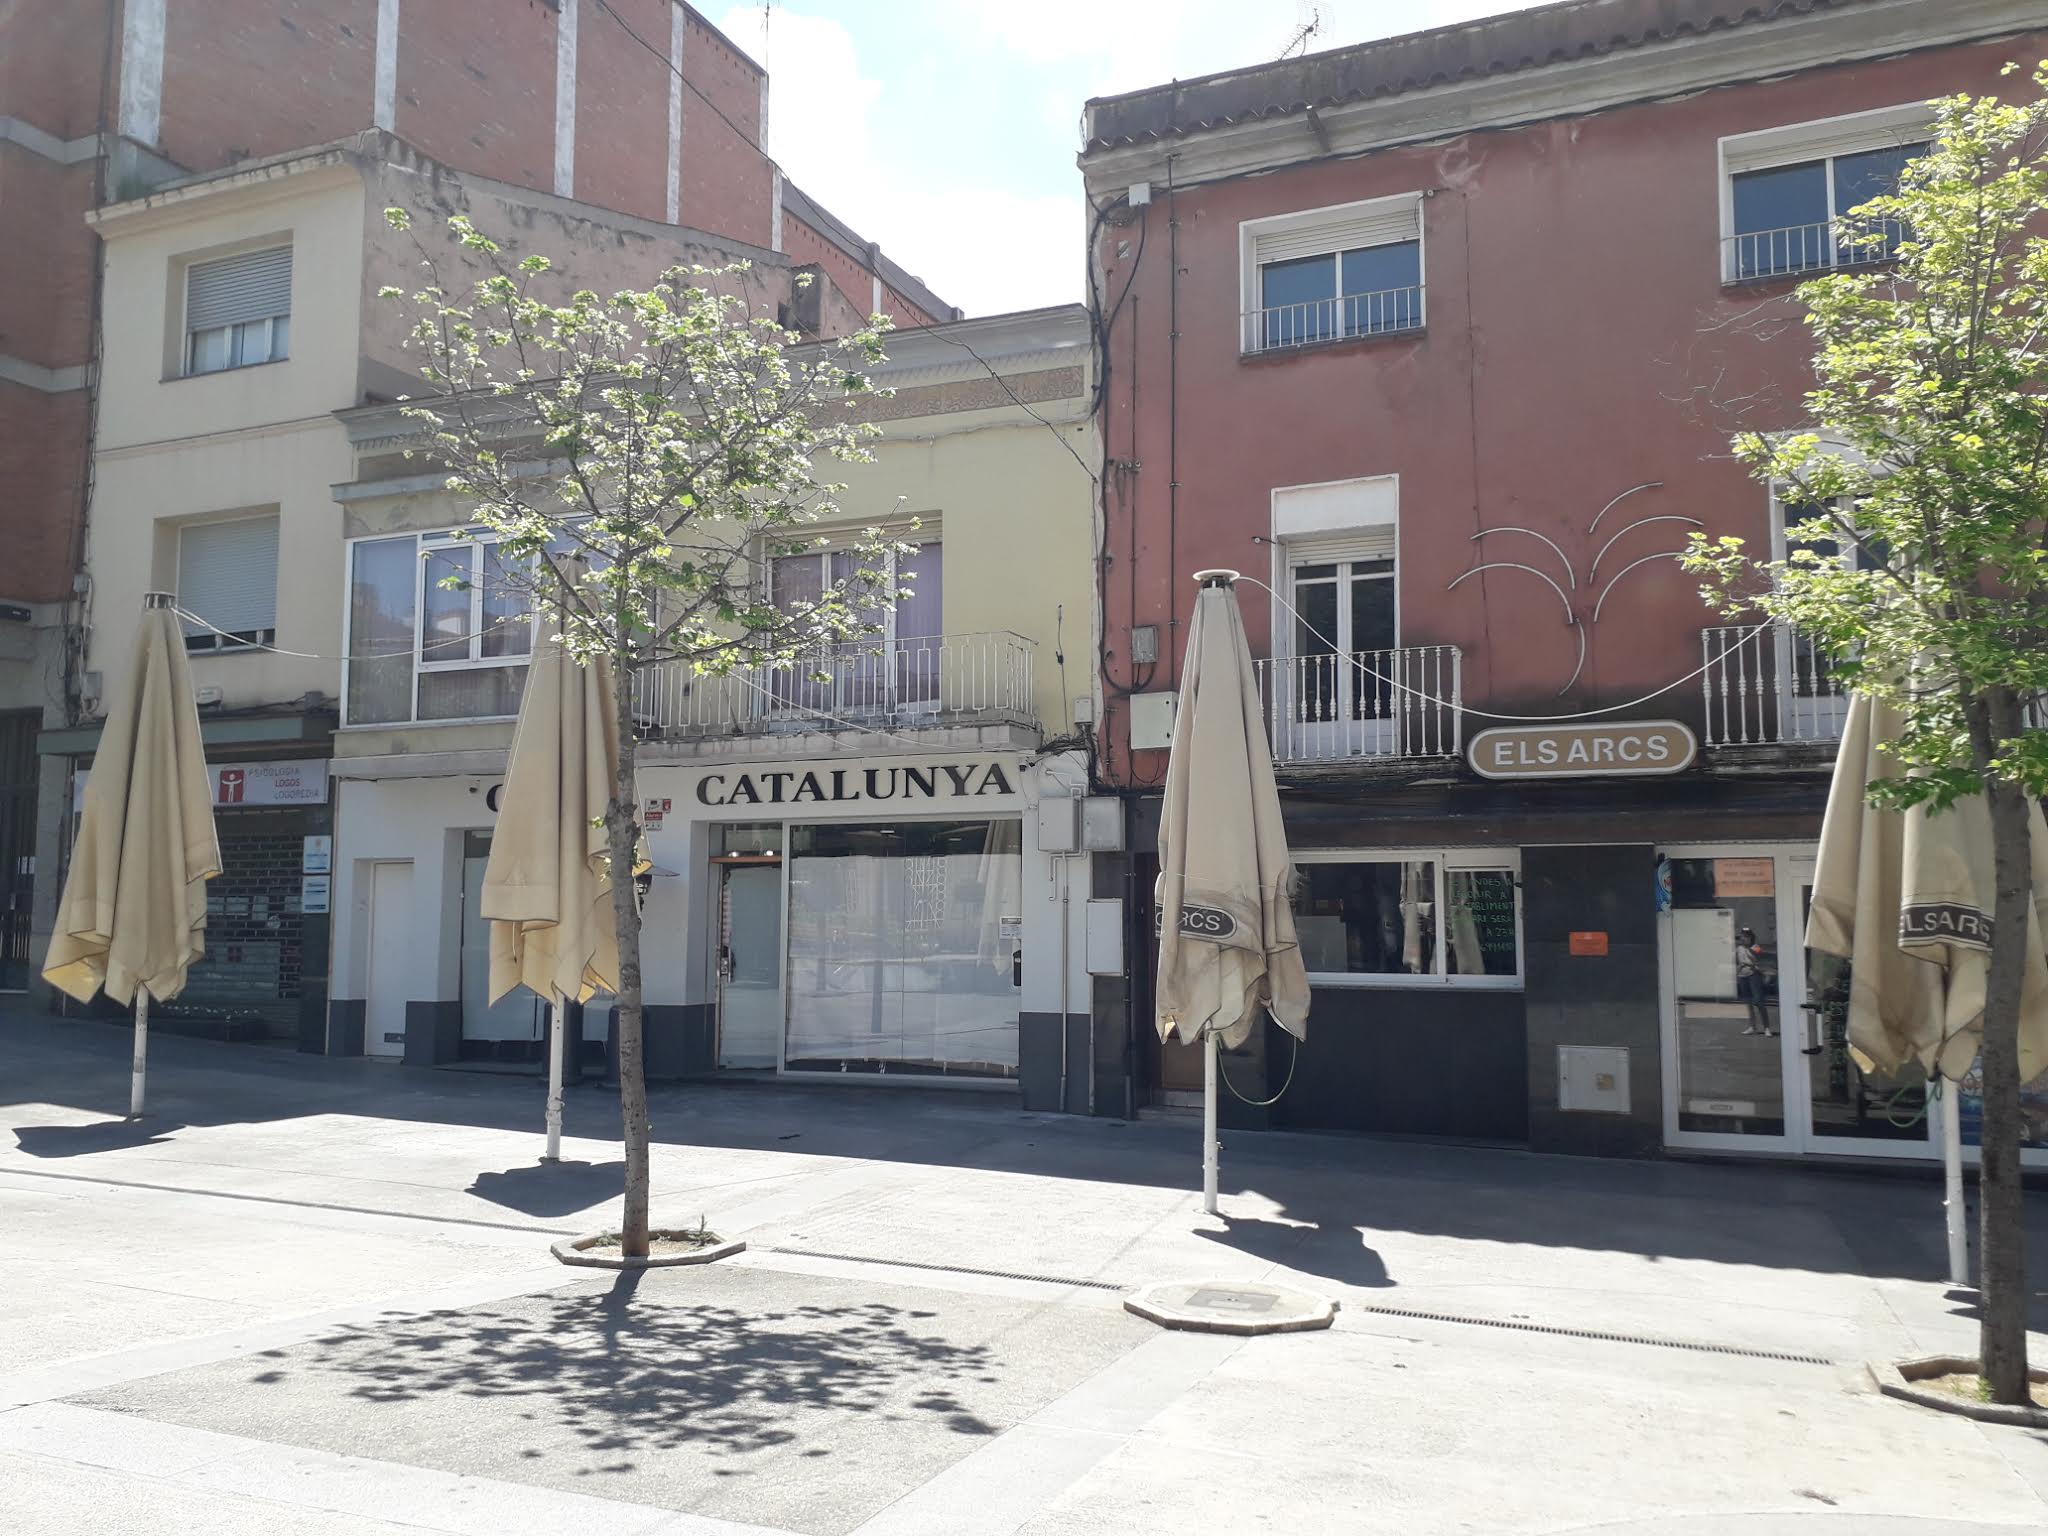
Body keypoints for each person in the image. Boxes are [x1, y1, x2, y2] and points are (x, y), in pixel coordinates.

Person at [1735, 926, 1776, 1037]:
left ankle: (1766, 1027)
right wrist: (1738, 967)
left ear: (1751, 938)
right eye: (1742, 936)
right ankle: (1752, 1026)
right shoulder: (1739, 948)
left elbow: (1760, 957)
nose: (1743, 938)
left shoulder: (1755, 947)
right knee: (1748, 1002)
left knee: (1759, 1001)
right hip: (1742, 976)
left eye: (1746, 937)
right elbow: (1736, 960)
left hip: (1754, 975)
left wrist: (1750, 951)